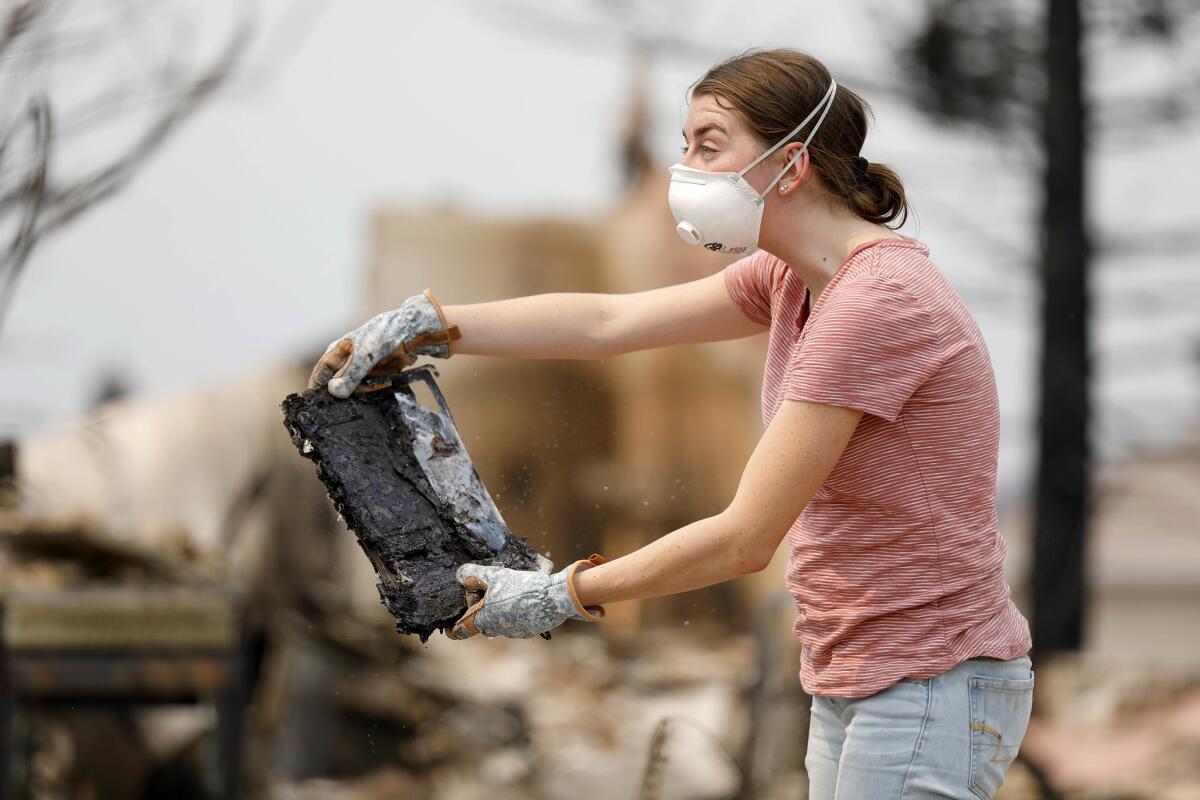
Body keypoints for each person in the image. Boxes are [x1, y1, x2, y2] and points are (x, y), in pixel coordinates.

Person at [309, 48, 1034, 800]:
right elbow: (608, 321)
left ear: (791, 166)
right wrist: (436, 324)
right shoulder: (793, 278)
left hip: (929, 679)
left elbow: (747, 537)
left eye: (706, 145)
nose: (681, 169)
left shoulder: (874, 306)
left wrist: (564, 593)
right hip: (861, 673)